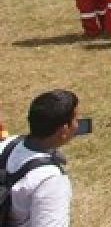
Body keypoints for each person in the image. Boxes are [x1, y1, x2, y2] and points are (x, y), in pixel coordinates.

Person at [0, 90, 79, 226]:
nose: (78, 124)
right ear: (64, 131)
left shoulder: (6, 144)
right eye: (76, 119)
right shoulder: (50, 180)